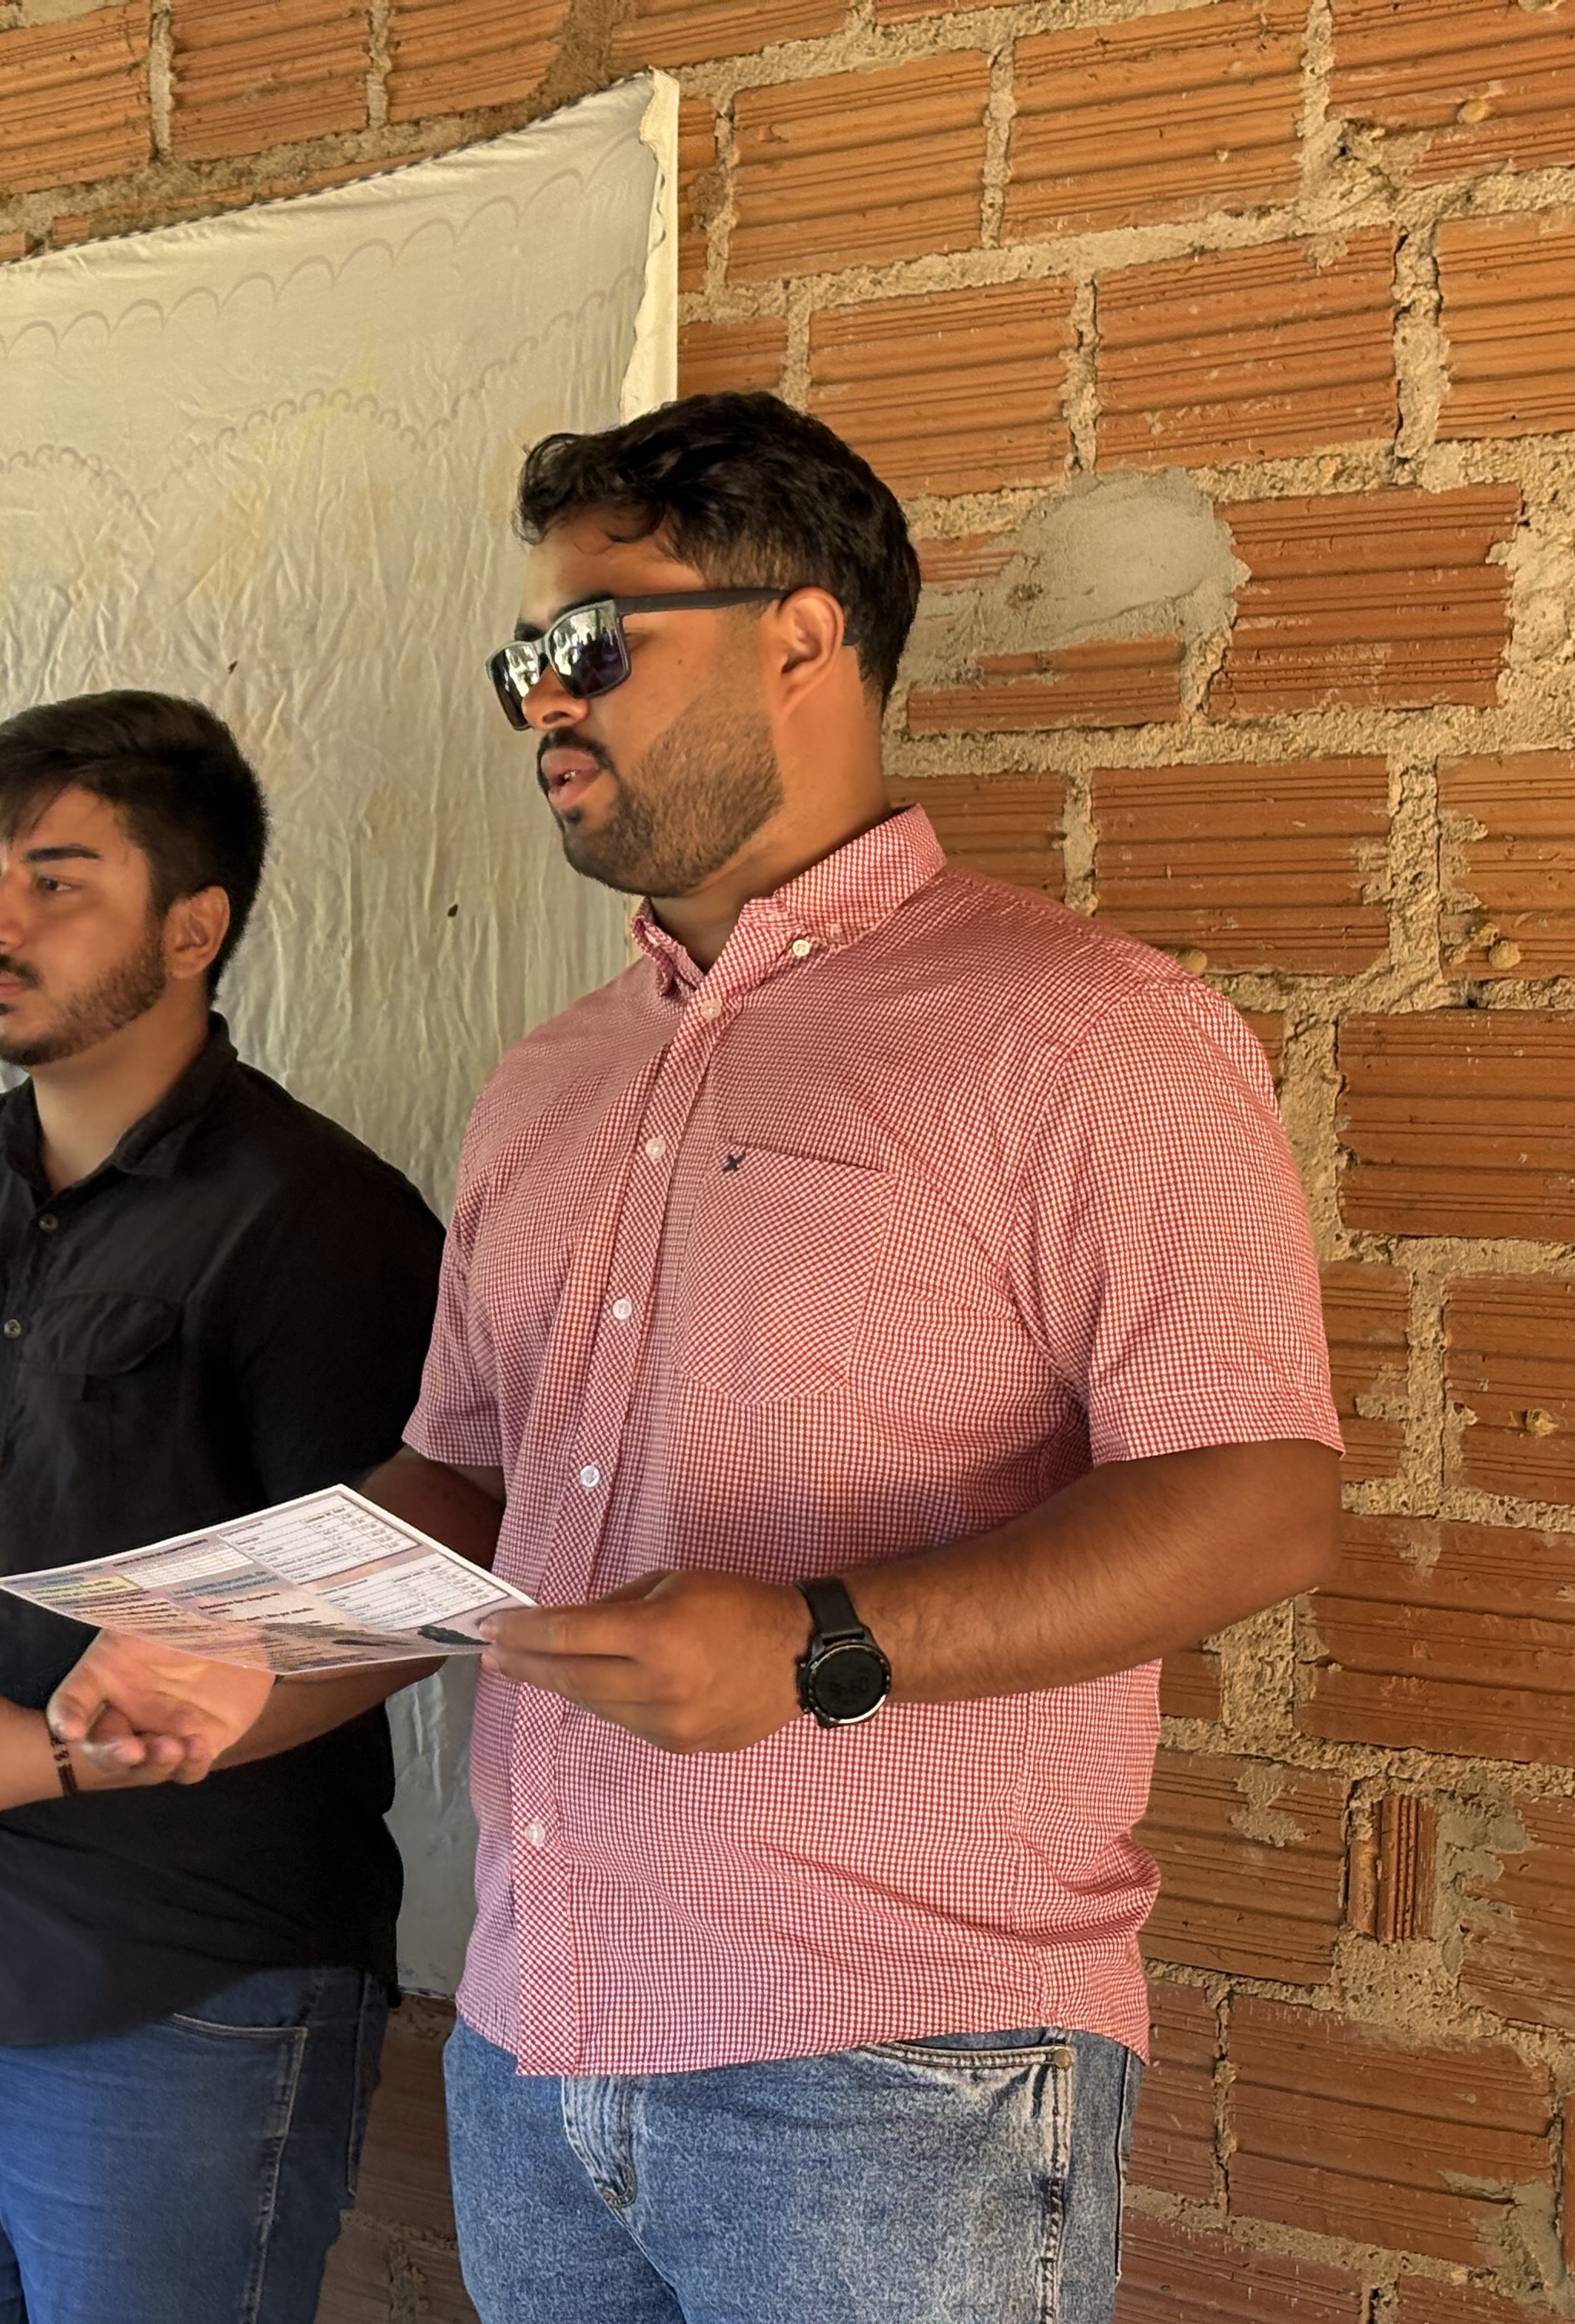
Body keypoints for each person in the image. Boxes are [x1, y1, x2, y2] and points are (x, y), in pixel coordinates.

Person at [68, 392, 1343, 2322]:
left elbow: (1260, 1501)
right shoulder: (551, 1081)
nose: (542, 708)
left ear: (803, 637)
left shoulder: (1090, 1033)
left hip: (892, 2070)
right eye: (521, 662)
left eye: (588, 645)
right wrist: (241, 1651)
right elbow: (466, 1485)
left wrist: (821, 1645)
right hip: (535, 2036)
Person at [0, 691, 445, 2324]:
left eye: (57, 880)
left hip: (185, 1986)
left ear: (193, 927)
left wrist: (57, 1756)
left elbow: (399, 1599)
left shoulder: (323, 1220)